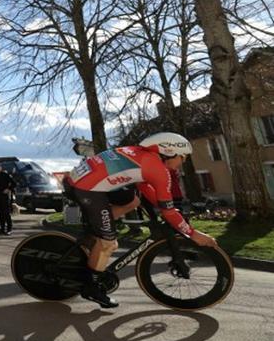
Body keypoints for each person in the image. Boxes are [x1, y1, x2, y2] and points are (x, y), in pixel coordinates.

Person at [63, 132, 218, 309]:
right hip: (88, 189)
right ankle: (91, 287)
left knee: (133, 200)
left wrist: (162, 210)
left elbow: (145, 188)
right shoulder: (158, 170)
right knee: (109, 244)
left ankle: (96, 228)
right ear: (169, 152)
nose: (183, 162)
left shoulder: (143, 155)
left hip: (81, 180)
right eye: (182, 157)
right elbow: (167, 210)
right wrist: (192, 234)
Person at [0, 164, 15, 235]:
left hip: (5, 197)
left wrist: (8, 189)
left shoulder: (5, 175)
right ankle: (2, 229)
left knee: (6, 213)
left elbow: (14, 183)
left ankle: (9, 229)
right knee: (0, 214)